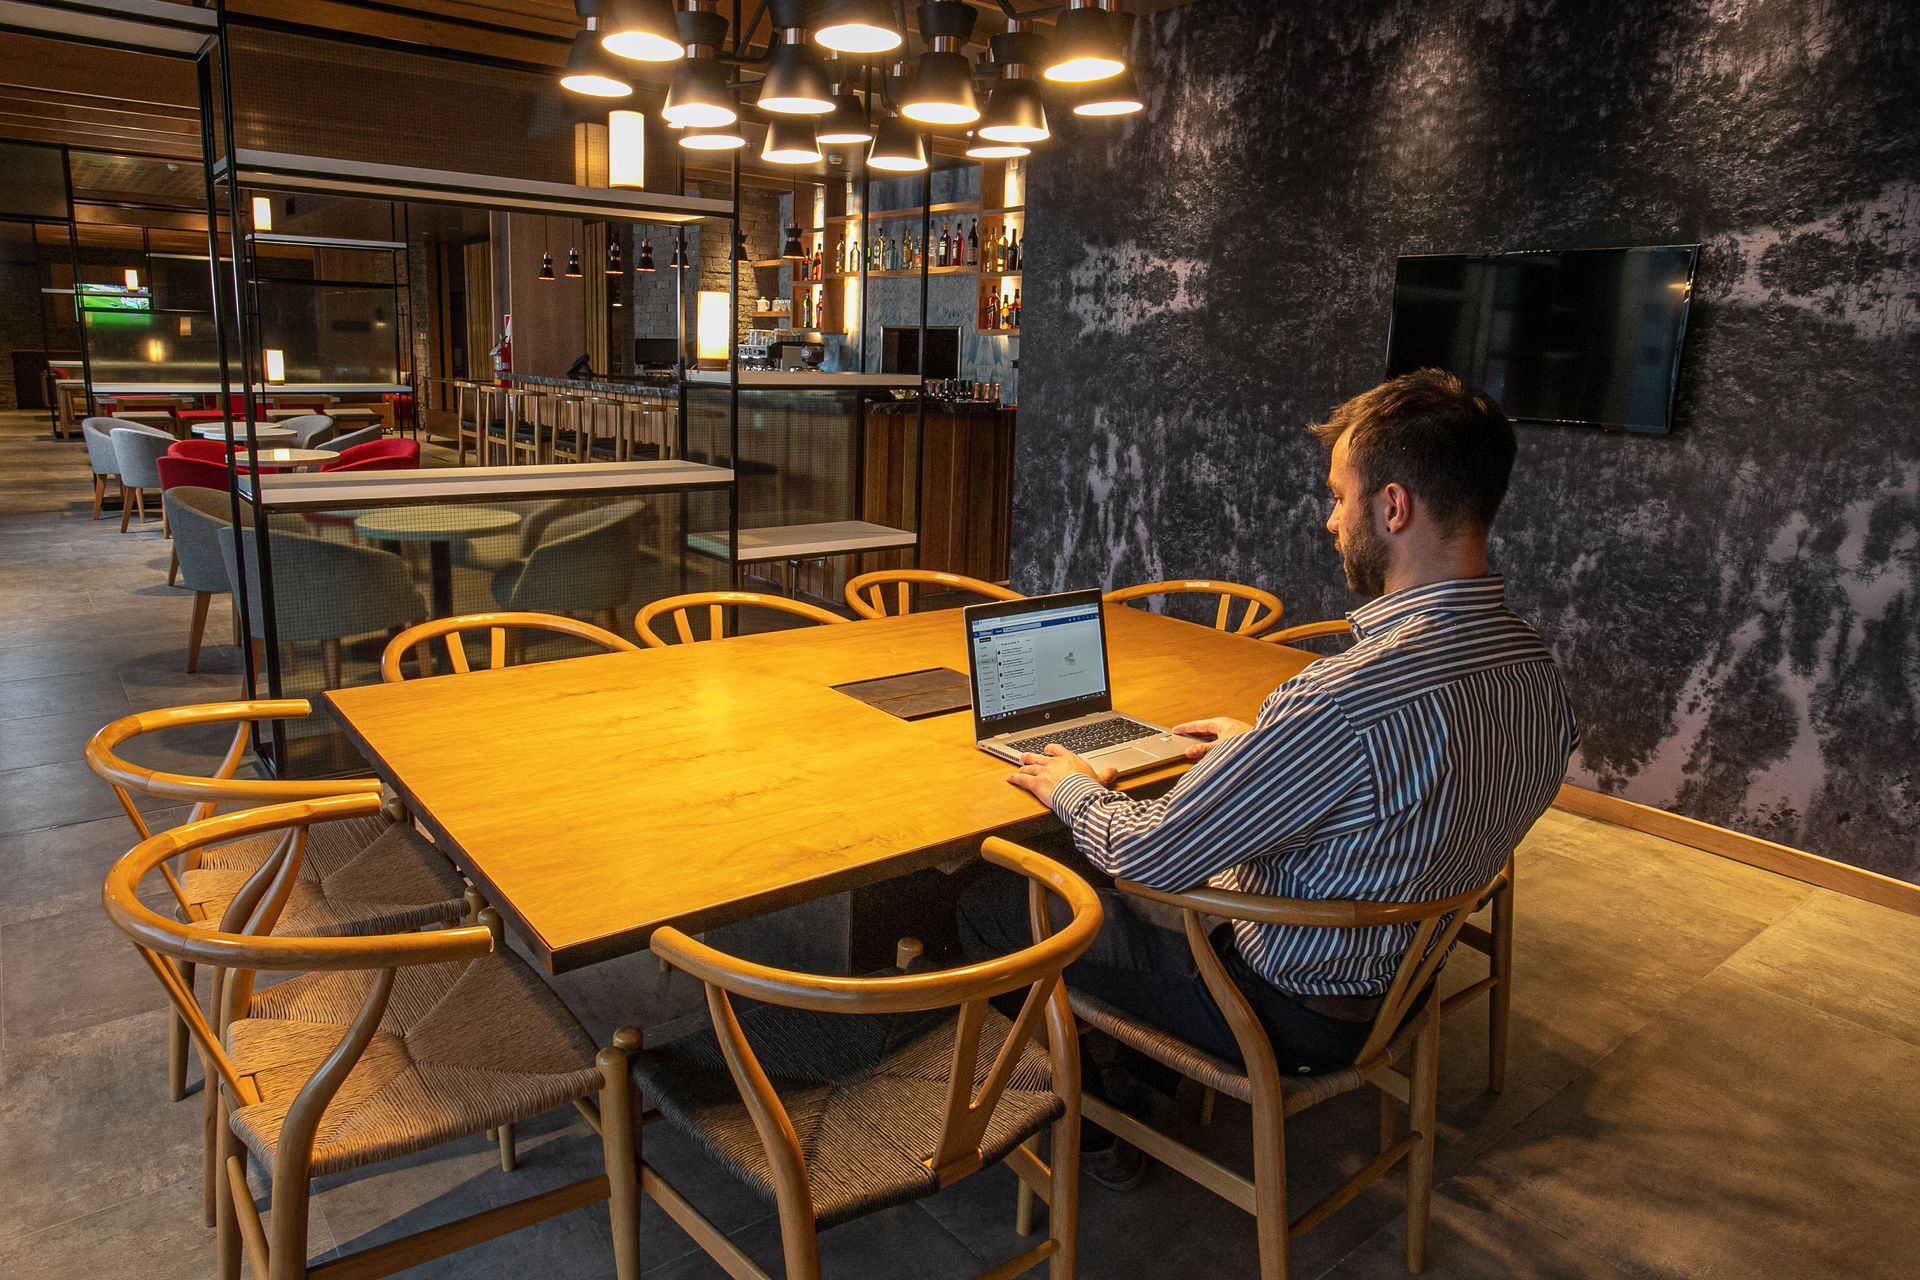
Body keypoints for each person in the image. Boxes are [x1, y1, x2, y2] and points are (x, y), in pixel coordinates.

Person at [958, 367, 1578, 1185]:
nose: (1329, 520)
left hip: (1284, 1005)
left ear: (1392, 508)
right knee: (1082, 875)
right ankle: (1145, 1078)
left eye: (1338, 496)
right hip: (1406, 980)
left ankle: (1090, 1121)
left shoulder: (1345, 698)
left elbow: (1151, 856)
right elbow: (1408, 786)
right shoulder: (1535, 671)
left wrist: (1071, 783)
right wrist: (1266, 750)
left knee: (986, 901)